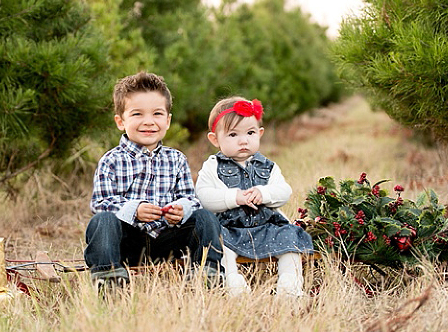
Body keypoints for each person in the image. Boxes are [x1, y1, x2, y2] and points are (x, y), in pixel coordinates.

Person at [84, 72, 224, 289]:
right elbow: (101, 203)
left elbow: (190, 198)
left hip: (168, 240)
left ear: (167, 121)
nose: (148, 122)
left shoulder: (176, 158)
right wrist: (134, 209)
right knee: (102, 221)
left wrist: (181, 210)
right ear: (121, 122)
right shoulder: (111, 160)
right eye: (137, 114)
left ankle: (206, 272)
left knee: (204, 217)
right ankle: (108, 275)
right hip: (128, 242)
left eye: (157, 114)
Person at [196, 96, 314, 296]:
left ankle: (290, 288)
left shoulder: (268, 167)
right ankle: (234, 285)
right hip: (229, 229)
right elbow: (204, 197)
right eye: (233, 135)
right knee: (220, 248)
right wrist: (234, 197)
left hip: (267, 226)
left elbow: (284, 192)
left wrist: (264, 193)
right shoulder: (212, 166)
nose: (243, 141)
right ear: (214, 139)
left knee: (290, 242)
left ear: (260, 134)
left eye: (250, 133)